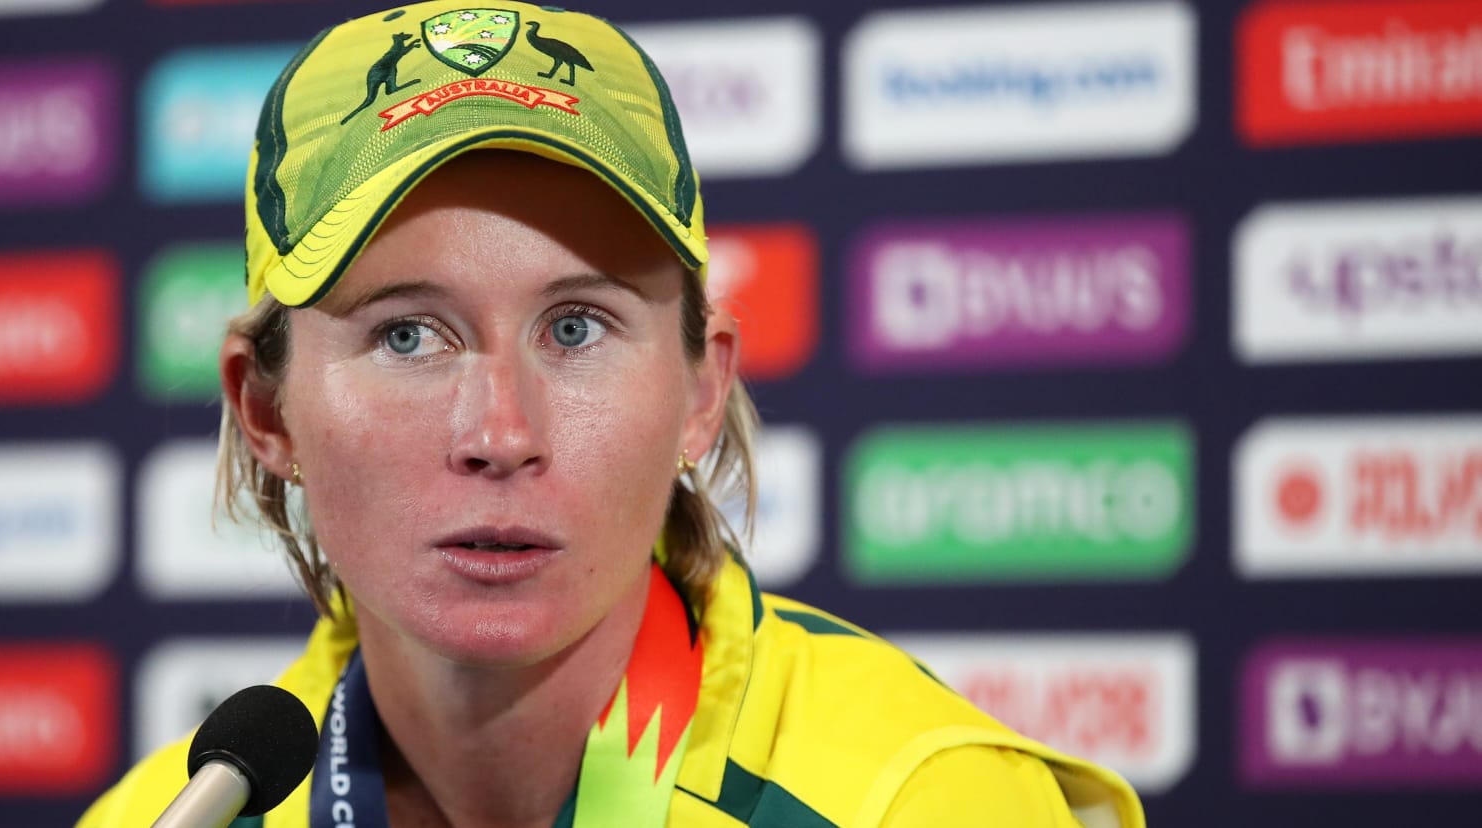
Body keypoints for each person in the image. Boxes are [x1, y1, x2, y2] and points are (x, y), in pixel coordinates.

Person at [79, 3, 1146, 826]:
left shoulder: (915, 803)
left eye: (578, 327)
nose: (499, 433)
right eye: (408, 335)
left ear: (700, 388)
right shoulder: (177, 814)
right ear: (266, 409)